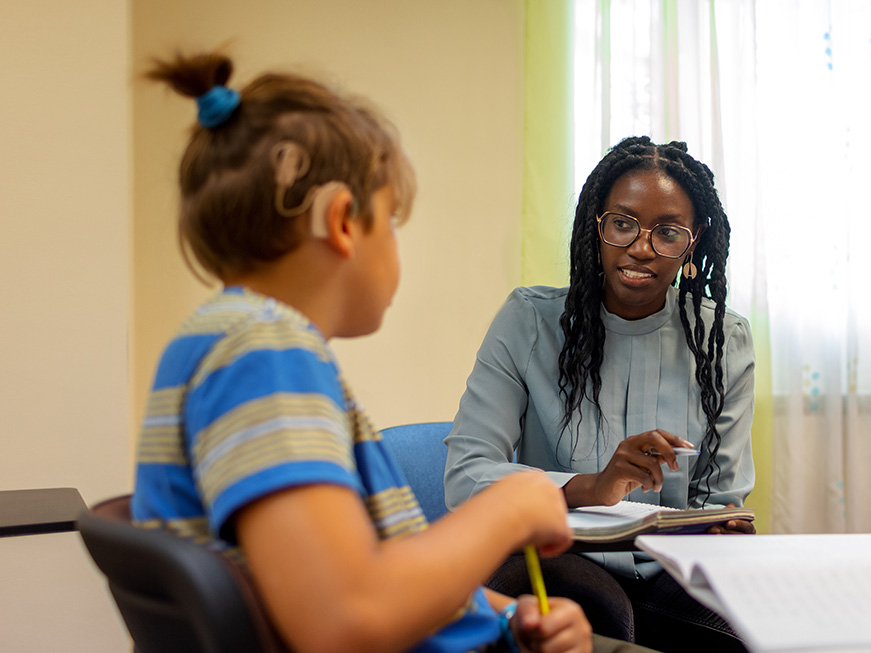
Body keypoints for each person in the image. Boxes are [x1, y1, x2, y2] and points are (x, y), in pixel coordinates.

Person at [132, 51, 654, 653]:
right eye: (391, 220)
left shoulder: (220, 344)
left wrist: (506, 615)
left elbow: (370, 566)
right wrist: (508, 513)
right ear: (342, 223)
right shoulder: (262, 353)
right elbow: (345, 616)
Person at [445, 136, 757, 652]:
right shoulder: (528, 322)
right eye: (623, 224)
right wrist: (593, 486)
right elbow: (465, 475)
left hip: (666, 571)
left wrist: (723, 532)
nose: (640, 247)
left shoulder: (725, 342)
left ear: (693, 243)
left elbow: (719, 500)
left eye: (668, 233)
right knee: (593, 615)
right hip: (556, 556)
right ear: (597, 227)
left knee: (744, 627)